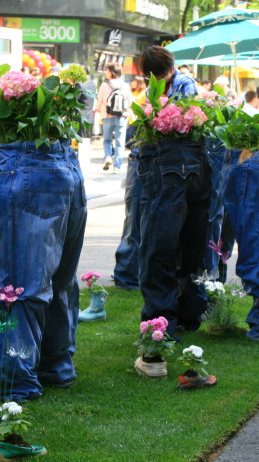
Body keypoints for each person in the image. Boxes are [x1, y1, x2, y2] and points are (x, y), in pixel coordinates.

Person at [134, 45, 208, 350]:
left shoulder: (183, 86)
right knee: (189, 242)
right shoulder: (177, 84)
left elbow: (168, 126)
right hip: (194, 167)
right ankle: (189, 313)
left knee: (159, 245)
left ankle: (161, 322)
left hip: (169, 166)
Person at [112, 48, 197, 292]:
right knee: (134, 210)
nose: (155, 83)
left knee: (156, 219)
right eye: (152, 79)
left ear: (171, 70)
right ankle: (127, 276)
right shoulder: (153, 84)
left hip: (170, 160)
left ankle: (145, 275)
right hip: (144, 154)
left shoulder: (185, 85)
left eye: (159, 78)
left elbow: (184, 122)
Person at [95, 62, 132, 174]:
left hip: (107, 116)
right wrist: (128, 113)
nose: (106, 73)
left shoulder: (104, 85)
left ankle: (107, 157)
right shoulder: (125, 85)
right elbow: (130, 101)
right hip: (121, 116)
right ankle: (117, 166)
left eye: (107, 70)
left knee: (107, 140)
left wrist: (96, 109)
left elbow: (99, 102)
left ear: (111, 71)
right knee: (120, 142)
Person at [76, 65, 97, 140]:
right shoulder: (93, 83)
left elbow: (75, 100)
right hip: (89, 117)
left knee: (80, 142)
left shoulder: (79, 84)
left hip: (79, 117)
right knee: (87, 141)